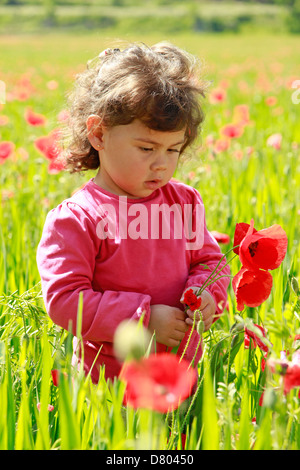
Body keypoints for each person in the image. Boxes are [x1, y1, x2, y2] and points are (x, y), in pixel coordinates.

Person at [37, 42, 230, 384]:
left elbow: (210, 262)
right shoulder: (77, 218)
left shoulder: (182, 202)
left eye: (173, 149)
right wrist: (142, 318)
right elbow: (65, 300)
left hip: (183, 377)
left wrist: (205, 294)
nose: (162, 163)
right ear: (98, 134)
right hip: (111, 387)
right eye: (146, 148)